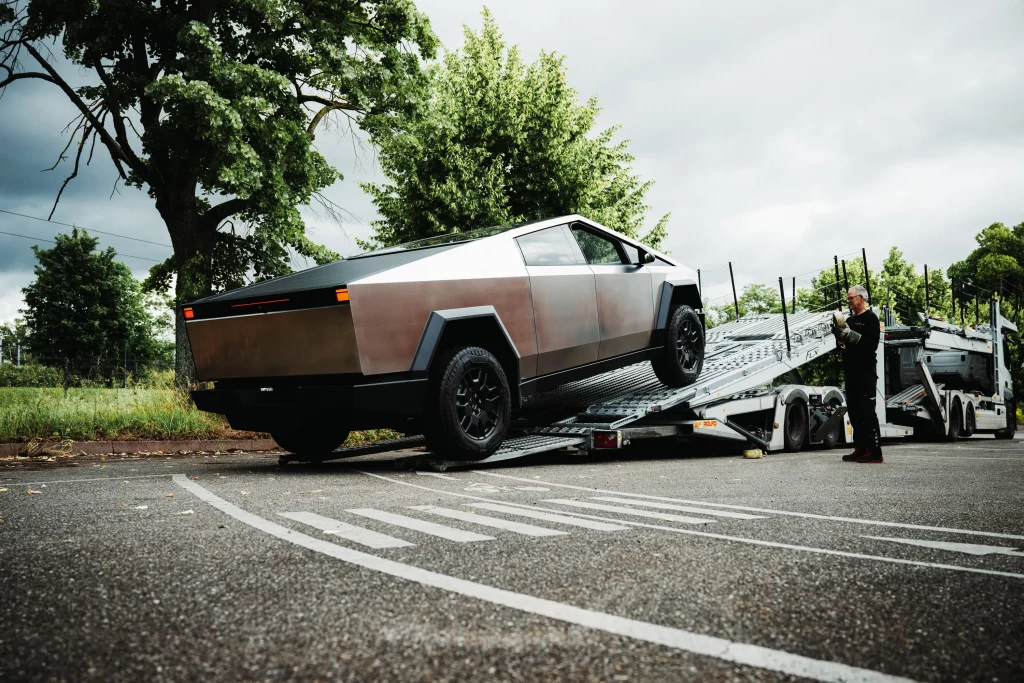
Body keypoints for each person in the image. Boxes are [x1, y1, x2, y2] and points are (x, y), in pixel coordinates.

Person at [835, 285, 883, 463]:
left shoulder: (871, 318)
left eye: (851, 298)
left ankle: (875, 452)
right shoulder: (849, 320)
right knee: (854, 412)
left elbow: (871, 344)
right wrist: (840, 338)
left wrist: (852, 335)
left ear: (861, 298)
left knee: (867, 412)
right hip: (851, 371)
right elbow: (843, 346)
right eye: (847, 298)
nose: (848, 301)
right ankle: (860, 448)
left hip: (865, 372)